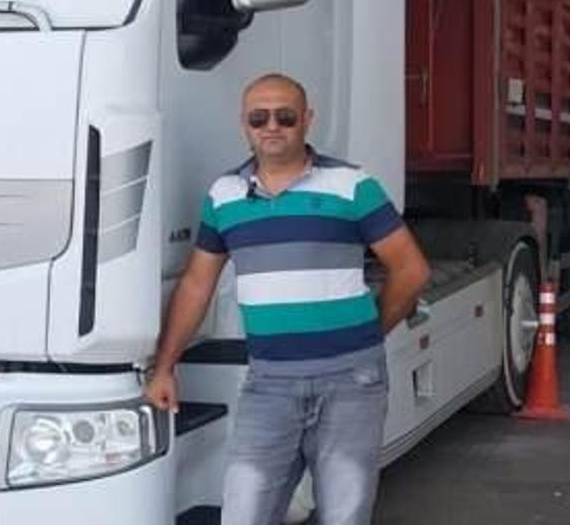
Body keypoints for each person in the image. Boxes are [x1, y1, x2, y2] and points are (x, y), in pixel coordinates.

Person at [145, 73, 431, 525]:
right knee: (243, 514)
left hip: (350, 382)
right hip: (268, 383)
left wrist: (369, 335)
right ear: (244, 124)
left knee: (344, 517)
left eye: (286, 116)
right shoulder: (225, 195)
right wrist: (164, 367)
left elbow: (411, 271)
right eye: (259, 118)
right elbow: (197, 284)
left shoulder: (351, 185)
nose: (272, 126)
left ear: (307, 120)